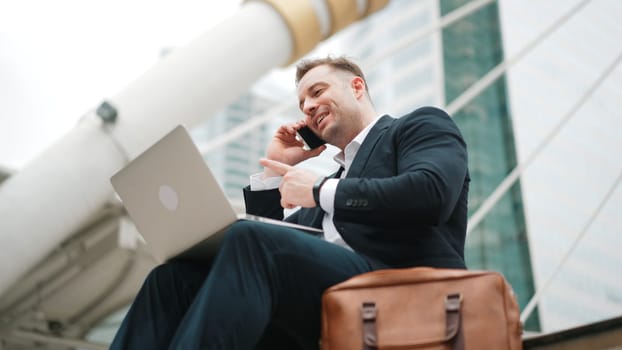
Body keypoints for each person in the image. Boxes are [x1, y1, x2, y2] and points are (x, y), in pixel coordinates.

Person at [110, 56, 470, 349]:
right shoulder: (331, 183)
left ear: (357, 86)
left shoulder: (418, 126)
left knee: (253, 243)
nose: (309, 106)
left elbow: (431, 193)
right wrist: (273, 171)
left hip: (402, 287)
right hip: (327, 294)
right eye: (302, 103)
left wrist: (318, 191)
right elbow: (271, 240)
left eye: (317, 91)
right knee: (171, 280)